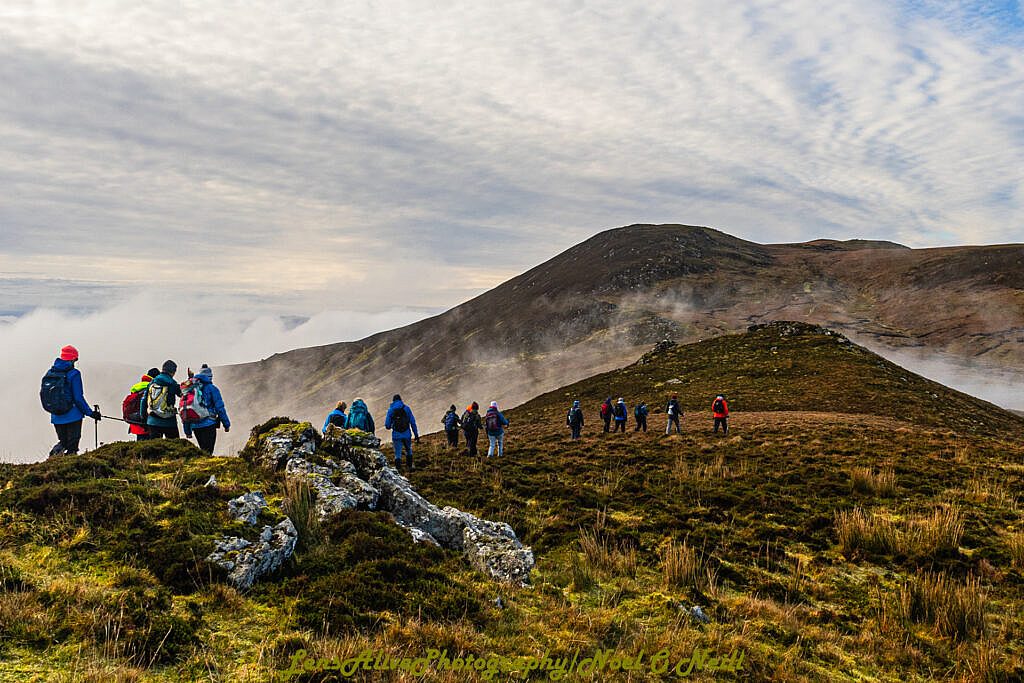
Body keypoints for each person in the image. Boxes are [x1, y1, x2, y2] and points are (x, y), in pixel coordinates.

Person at [41, 345, 101, 456]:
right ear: (73, 359)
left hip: (56, 416)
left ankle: (53, 461)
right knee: (72, 447)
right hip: (73, 415)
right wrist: (91, 413)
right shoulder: (74, 374)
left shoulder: (50, 373)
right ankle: (71, 468)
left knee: (63, 443)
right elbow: (78, 398)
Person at [181, 364, 231, 454]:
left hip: (195, 425)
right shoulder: (212, 389)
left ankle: (202, 465)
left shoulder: (191, 389)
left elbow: (186, 408)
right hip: (209, 424)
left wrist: (187, 431)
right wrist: (226, 424)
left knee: (203, 450)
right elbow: (220, 408)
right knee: (208, 451)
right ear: (210, 377)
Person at [145, 360, 182, 439]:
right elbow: (183, 394)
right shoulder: (173, 384)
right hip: (169, 422)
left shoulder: (152, 383)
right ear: (173, 372)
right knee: (175, 447)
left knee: (155, 448)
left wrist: (144, 418)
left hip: (152, 421)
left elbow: (144, 401)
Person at [385, 394, 419, 470]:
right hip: (407, 433)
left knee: (397, 453)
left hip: (396, 435)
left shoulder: (390, 410)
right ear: (401, 399)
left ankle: (399, 470)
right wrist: (416, 434)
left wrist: (392, 426)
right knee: (408, 450)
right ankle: (409, 467)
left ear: (393, 401)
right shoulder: (406, 408)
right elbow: (412, 422)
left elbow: (387, 425)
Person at [124, 368, 160, 441]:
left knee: (140, 447)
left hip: (136, 423)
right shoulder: (153, 388)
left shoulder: (136, 387)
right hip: (150, 424)